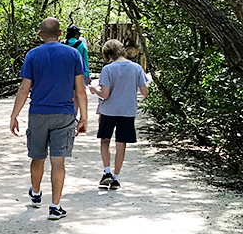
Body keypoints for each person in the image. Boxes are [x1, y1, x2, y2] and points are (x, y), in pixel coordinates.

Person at [10, 17, 89, 220]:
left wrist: (14, 115)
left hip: (38, 113)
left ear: (40, 34)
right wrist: (84, 117)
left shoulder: (33, 55)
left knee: (37, 157)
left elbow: (24, 88)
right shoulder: (73, 54)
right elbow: (80, 89)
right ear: (60, 34)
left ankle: (36, 194)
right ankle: (55, 206)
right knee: (58, 161)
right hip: (64, 114)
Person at [90, 39, 149, 190]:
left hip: (108, 111)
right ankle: (116, 177)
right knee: (121, 143)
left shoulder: (108, 69)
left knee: (105, 140)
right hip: (127, 111)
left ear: (107, 54)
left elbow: (105, 94)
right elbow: (145, 92)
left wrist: (94, 89)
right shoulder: (136, 68)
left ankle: (106, 172)